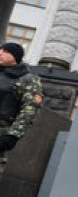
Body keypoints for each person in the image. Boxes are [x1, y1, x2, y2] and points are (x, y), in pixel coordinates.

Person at [0, 42, 43, 176]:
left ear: (15, 56)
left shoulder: (27, 79)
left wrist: (12, 135)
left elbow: (30, 109)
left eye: (5, 51)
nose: (0, 52)